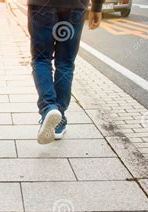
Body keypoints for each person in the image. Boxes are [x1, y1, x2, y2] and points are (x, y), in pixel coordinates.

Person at [28, 0, 104, 144]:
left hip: (41, 5)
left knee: (41, 60)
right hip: (75, 6)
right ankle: (59, 119)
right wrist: (97, 7)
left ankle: (49, 107)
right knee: (65, 63)